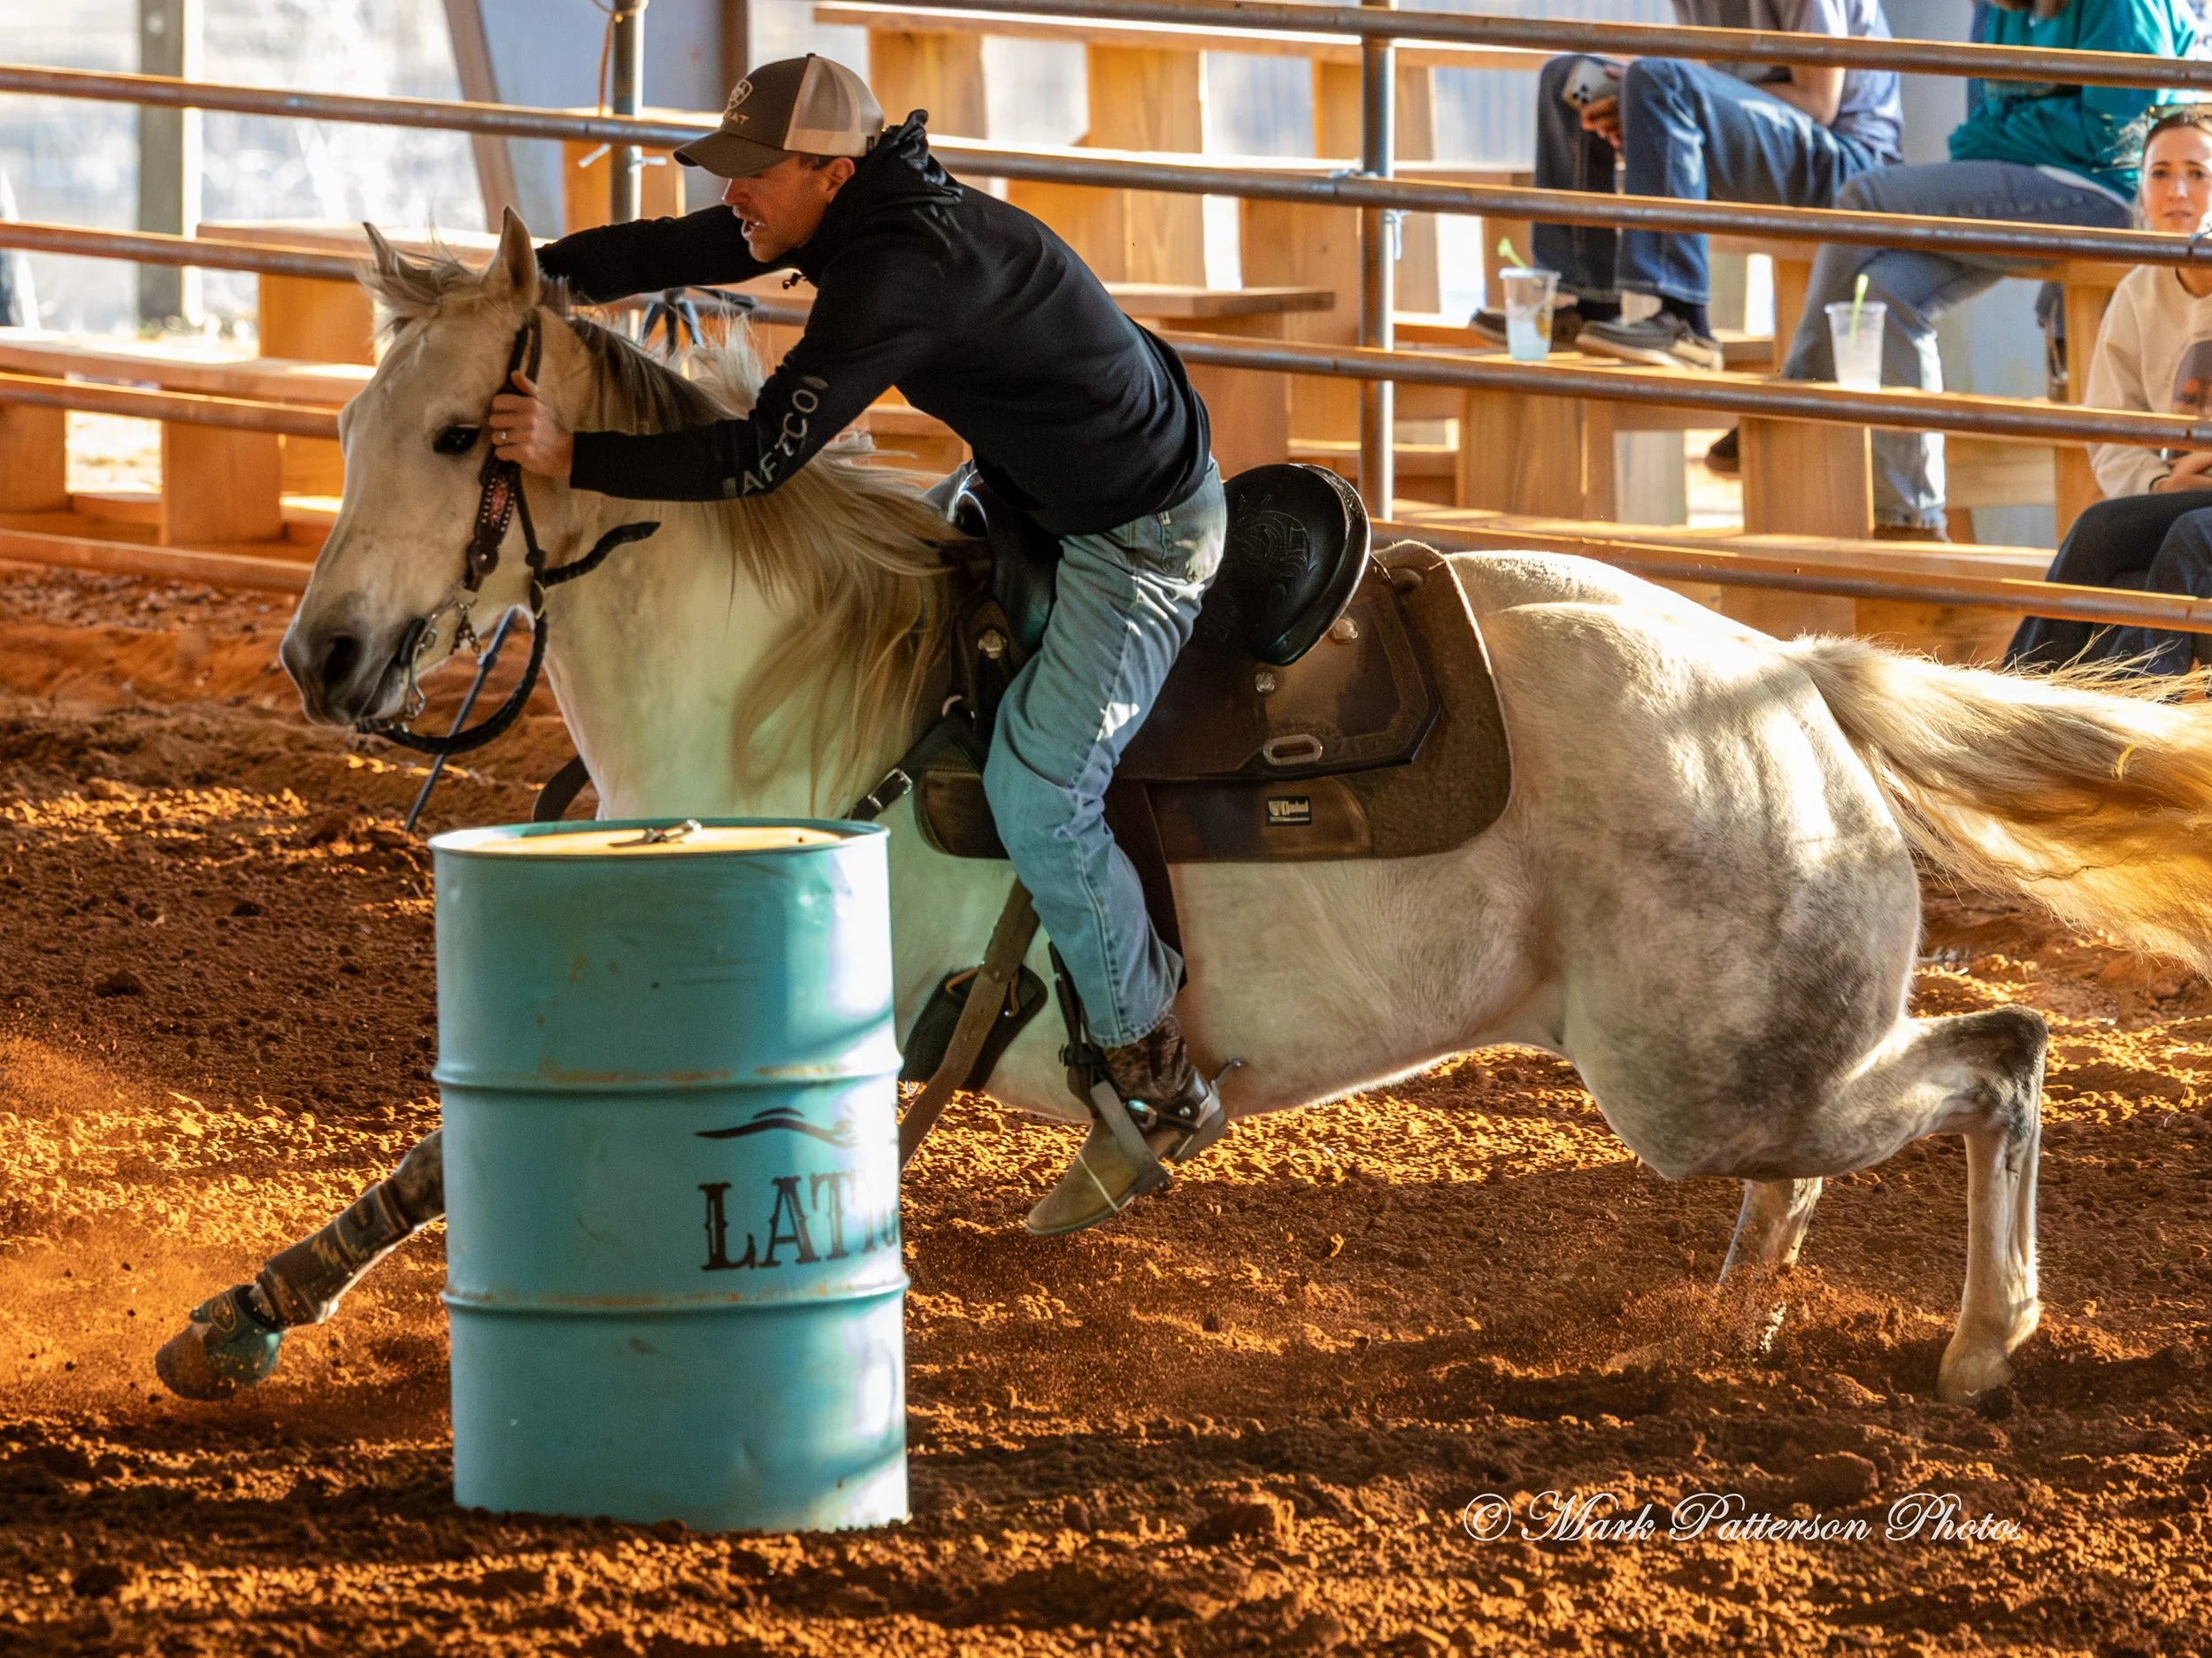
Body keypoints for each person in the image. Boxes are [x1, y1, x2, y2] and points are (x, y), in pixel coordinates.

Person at [490, 55, 1227, 1233]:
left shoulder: (899, 270)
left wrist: (570, 458)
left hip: (1132, 532)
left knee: (1042, 789)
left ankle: (1155, 1075)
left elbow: (754, 460)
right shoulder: (850, 211)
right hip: (1030, 486)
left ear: (831, 170)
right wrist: (529, 287)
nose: (733, 195)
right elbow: (674, 250)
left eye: (751, 175)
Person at [1729, 0, 2199, 539]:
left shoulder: (2121, 9)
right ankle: (1911, 519)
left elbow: (2120, 142)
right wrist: (2030, 126)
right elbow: (1977, 127)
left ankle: (1799, 391)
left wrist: (2009, 132)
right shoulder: (1997, 11)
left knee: (1864, 195)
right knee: (1886, 291)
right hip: (2022, 180)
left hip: (2102, 196)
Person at [1471, 0, 1903, 372]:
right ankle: (1588, 303)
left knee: (1656, 79)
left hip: (1849, 165)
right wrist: (1634, 112)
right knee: (1565, 76)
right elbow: (1714, 84)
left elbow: (1819, 103)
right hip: (1765, 146)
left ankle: (1685, 325)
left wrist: (1660, 98)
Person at [2008, 106, 2212, 674]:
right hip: (2176, 489)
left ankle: (2122, 719)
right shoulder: (2135, 293)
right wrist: (2159, 480)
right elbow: (2109, 429)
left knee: (2187, 537)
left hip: (2200, 502)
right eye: (2160, 173)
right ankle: (2024, 696)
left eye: (2199, 173)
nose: (2178, 191)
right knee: (2100, 530)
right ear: (2141, 188)